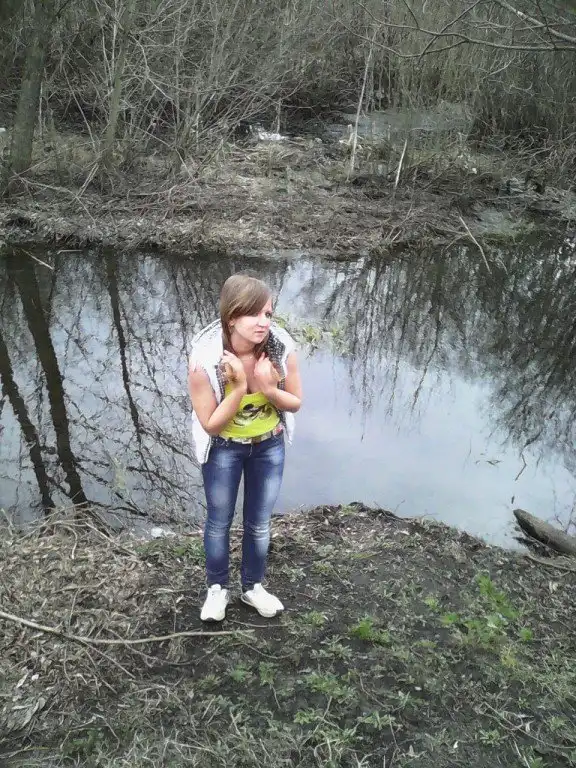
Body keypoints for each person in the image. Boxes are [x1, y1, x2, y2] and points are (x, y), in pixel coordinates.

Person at [188, 274, 302, 621]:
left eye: (268, 314)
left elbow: (295, 403)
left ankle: (252, 587)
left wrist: (269, 390)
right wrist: (237, 389)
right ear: (232, 317)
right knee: (218, 522)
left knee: (259, 523)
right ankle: (217, 589)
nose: (263, 322)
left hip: (269, 448)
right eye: (254, 314)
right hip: (223, 448)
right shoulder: (204, 360)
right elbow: (211, 424)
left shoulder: (281, 350)